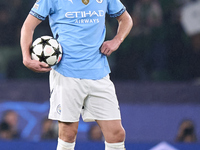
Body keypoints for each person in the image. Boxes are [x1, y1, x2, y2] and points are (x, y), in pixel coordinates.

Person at [20, 0, 133, 149]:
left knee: (117, 134)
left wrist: (117, 40)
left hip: (99, 72)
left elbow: (126, 19)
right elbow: (28, 26)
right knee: (68, 134)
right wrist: (26, 58)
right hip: (67, 73)